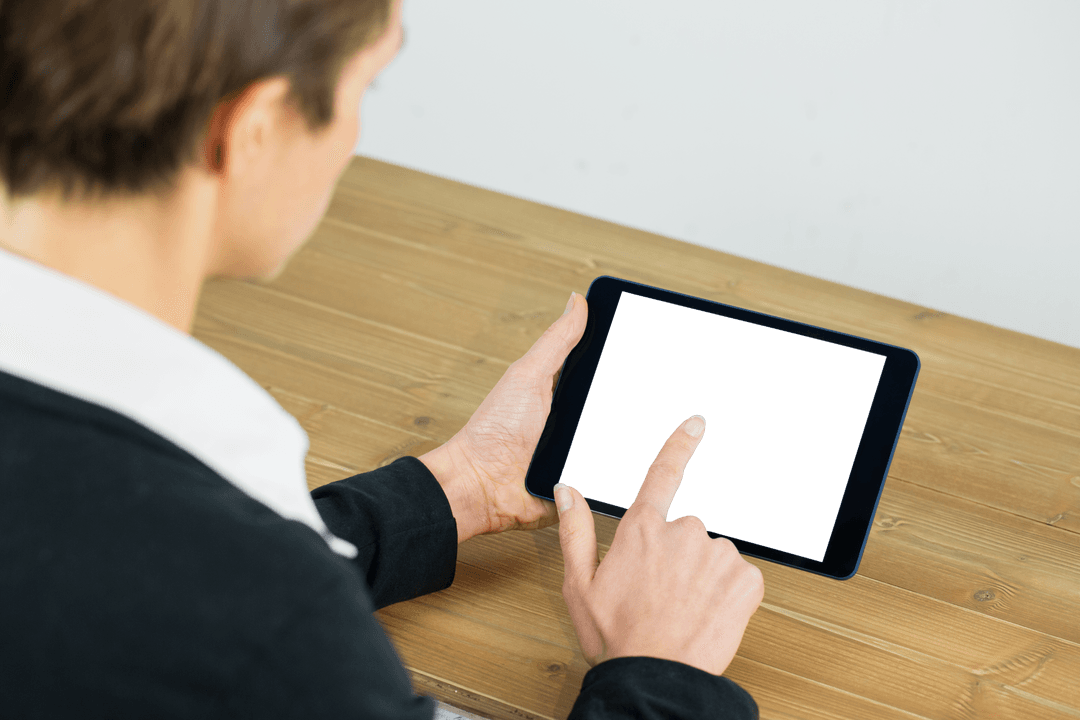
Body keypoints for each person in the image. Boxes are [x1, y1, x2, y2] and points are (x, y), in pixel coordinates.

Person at [0, 0, 764, 717]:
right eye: (368, 84)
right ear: (254, 130)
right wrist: (663, 677)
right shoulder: (271, 630)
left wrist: (460, 487)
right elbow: (219, 606)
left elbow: (149, 581)